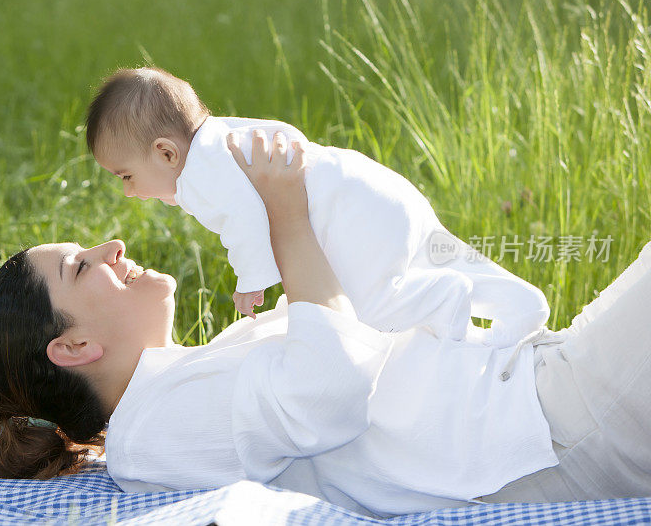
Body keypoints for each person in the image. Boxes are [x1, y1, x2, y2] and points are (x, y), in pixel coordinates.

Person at [0, 137, 651, 518]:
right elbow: (330, 388)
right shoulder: (151, 431)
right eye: (82, 265)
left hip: (538, 394)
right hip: (546, 432)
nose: (112, 248)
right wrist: (288, 219)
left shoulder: (176, 387)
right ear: (74, 346)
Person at [84, 66, 549, 350]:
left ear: (165, 153)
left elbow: (244, 220)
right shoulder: (223, 136)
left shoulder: (205, 170)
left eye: (126, 176)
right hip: (370, 190)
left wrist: (251, 281)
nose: (129, 191)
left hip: (353, 214)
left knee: (370, 307)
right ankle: (519, 302)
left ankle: (447, 302)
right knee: (437, 251)